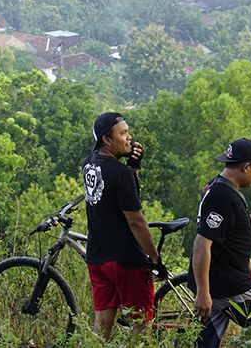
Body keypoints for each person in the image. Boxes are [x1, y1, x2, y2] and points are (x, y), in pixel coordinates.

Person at [188, 138, 251, 348]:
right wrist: (204, 293)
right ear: (246, 167)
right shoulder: (221, 197)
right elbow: (202, 245)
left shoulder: (221, 187)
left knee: (205, 342)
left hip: (221, 279)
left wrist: (245, 258)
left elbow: (224, 235)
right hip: (227, 286)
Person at [81, 112, 168, 339]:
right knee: (140, 325)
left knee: (101, 326)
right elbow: (135, 220)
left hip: (98, 258)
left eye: (128, 131)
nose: (129, 137)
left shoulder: (89, 164)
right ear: (106, 140)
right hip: (126, 261)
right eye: (123, 133)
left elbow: (115, 194)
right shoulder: (120, 174)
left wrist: (133, 167)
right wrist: (155, 259)